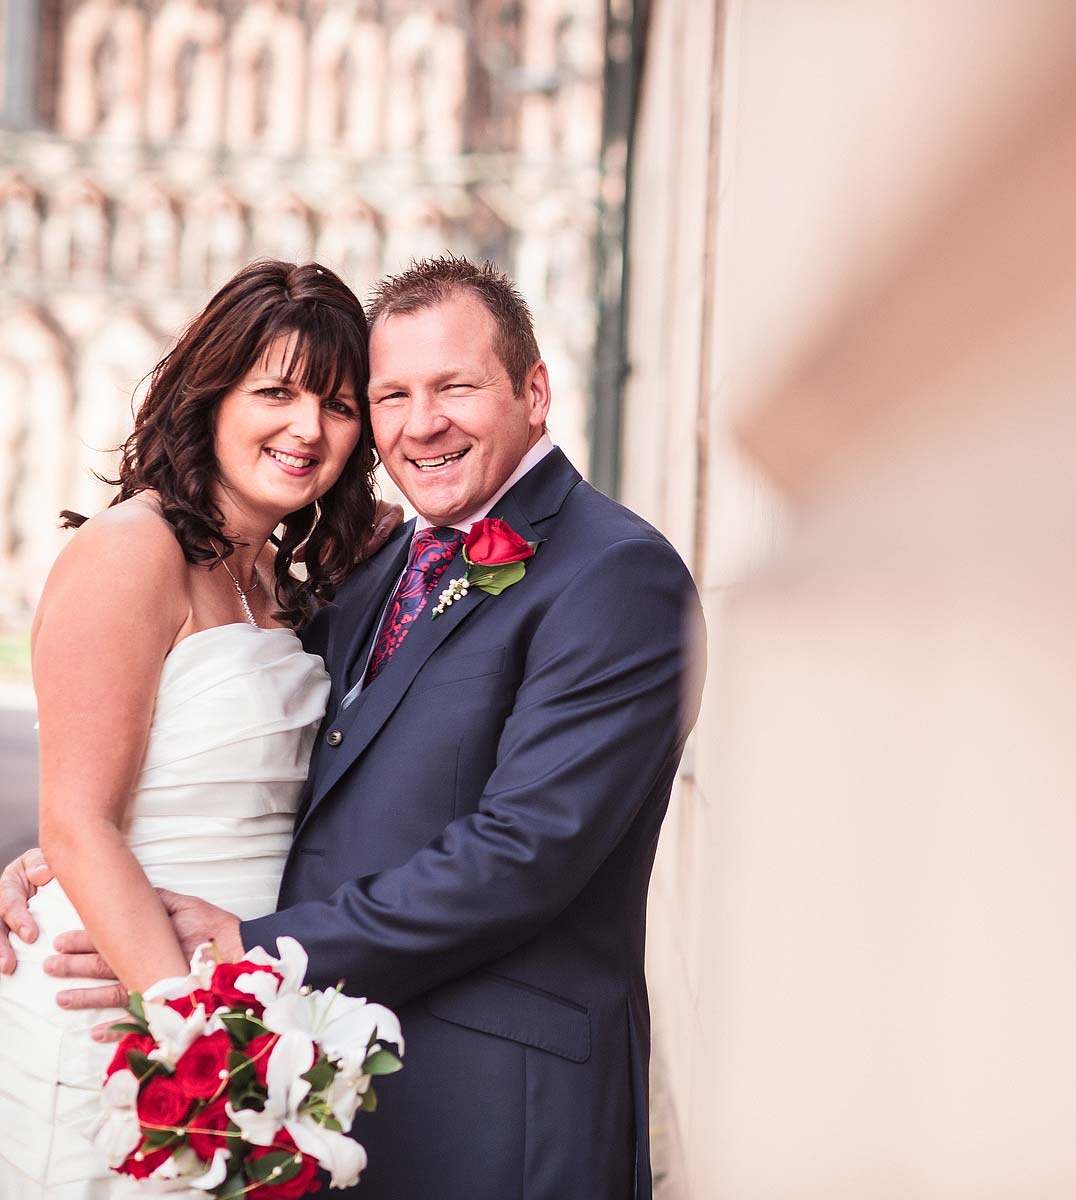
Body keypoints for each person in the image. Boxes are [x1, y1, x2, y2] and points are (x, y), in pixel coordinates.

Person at [3, 255, 704, 1198]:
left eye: (453, 387)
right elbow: (130, 788)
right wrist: (71, 857)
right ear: (213, 395)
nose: (421, 422)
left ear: (536, 391)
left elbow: (526, 850)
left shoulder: (613, 573)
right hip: (211, 1026)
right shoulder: (348, 571)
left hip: (474, 1084)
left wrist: (240, 964)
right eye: (390, 396)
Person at [0, 260, 379, 1195]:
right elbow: (78, 825)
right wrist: (199, 1042)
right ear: (211, 395)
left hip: (246, 996)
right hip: (135, 1010)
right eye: (277, 392)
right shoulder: (133, 549)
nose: (307, 429)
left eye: (336, 405)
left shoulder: (279, 590)